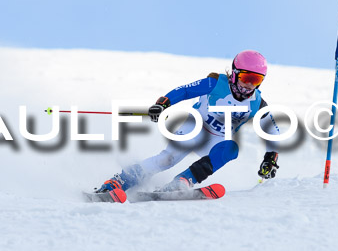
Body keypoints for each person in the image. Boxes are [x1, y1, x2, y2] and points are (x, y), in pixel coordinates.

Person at [95, 50, 280, 193]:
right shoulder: (216, 83)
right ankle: (119, 181)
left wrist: (270, 158)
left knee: (231, 149)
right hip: (196, 127)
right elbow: (184, 91)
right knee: (166, 159)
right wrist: (163, 104)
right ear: (234, 74)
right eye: (246, 78)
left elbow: (271, 130)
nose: (249, 85)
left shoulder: (258, 103)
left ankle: (183, 181)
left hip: (218, 139)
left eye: (255, 80)